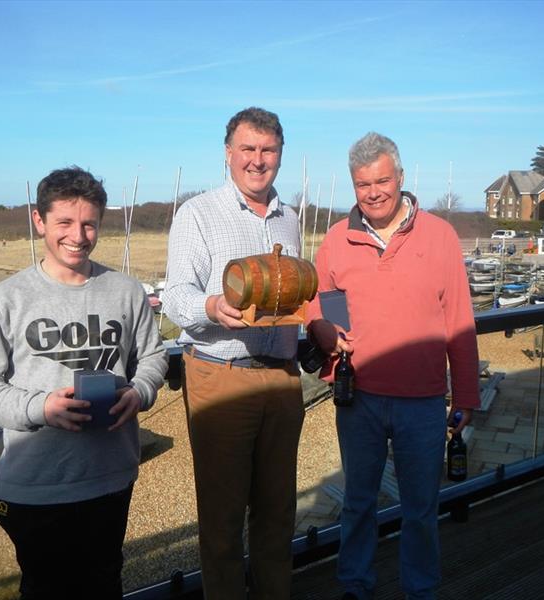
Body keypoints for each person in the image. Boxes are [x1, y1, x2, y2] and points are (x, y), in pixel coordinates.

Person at [0, 166, 168, 599]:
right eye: (65, 223)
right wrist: (40, 408)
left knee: (105, 580)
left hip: (110, 477)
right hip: (35, 485)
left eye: (90, 223)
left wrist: (141, 391)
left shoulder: (126, 291)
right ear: (39, 221)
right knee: (46, 587)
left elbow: (154, 356)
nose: (79, 235)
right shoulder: (4, 299)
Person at [305, 132, 480, 600]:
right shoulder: (338, 239)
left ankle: (420, 590)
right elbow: (325, 302)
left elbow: (459, 322)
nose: (374, 191)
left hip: (422, 402)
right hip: (357, 396)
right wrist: (328, 332)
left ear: (400, 178)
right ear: (353, 186)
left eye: (383, 180)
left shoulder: (439, 235)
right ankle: (354, 585)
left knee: (421, 508)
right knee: (358, 504)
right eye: (363, 184)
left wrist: (465, 397)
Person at [161, 107, 305, 599]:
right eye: (248, 149)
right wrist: (213, 305)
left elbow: (294, 297)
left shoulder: (290, 219)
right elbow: (175, 295)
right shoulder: (197, 213)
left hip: (283, 376)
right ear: (228, 154)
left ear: (280, 157)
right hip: (219, 374)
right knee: (222, 522)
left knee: (278, 511)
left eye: (267, 150)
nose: (257, 160)